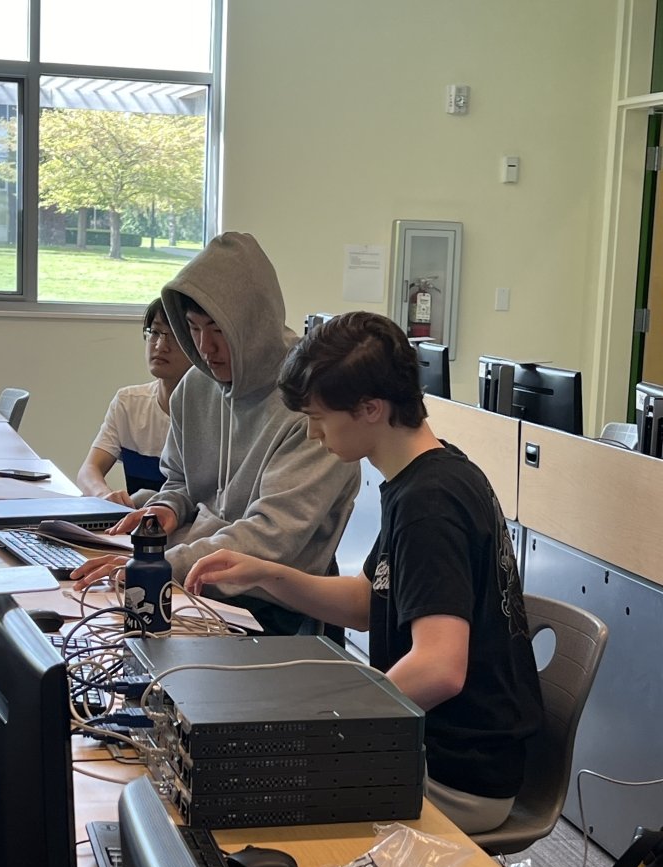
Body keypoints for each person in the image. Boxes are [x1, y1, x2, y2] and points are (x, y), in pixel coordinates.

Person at [184, 311, 543, 833]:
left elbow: (440, 667)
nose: (312, 433)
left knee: (246, 781)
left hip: (455, 774)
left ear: (371, 409)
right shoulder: (431, 473)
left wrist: (337, 723)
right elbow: (368, 602)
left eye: (320, 417)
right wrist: (266, 573)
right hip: (436, 750)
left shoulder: (429, 503)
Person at [71, 232, 360, 635]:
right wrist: (167, 510)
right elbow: (180, 480)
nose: (205, 347)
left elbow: (271, 535)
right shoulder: (195, 385)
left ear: (254, 324)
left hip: (272, 609)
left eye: (219, 330)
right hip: (196, 584)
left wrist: (164, 567)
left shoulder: (310, 404)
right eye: (192, 328)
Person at [76, 298, 191, 507]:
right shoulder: (128, 403)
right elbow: (88, 470)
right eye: (155, 332)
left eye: (174, 336)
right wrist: (104, 496)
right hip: (137, 531)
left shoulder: (214, 415)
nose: (160, 345)